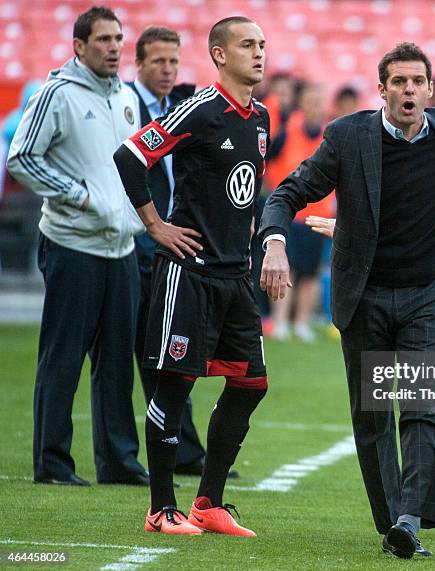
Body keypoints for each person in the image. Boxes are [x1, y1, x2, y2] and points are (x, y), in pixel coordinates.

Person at [259, 42, 435, 559]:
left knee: (423, 409)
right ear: (382, 89)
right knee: (373, 420)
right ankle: (393, 526)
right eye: (398, 82)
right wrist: (274, 240)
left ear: (429, 89)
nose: (408, 90)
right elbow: (289, 192)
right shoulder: (347, 137)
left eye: (416, 82)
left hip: (428, 296)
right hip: (366, 300)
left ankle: (410, 518)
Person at [114, 16, 269, 536]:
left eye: (262, 45)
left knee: (252, 383)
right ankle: (161, 509)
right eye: (247, 45)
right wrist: (156, 225)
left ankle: (209, 503)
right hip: (190, 273)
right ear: (220, 55)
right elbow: (131, 155)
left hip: (235, 277)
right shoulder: (202, 109)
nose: (259, 53)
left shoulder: (262, 117)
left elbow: (243, 193)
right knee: (175, 384)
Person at [6, 6, 148, 486]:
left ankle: (118, 463)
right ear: (79, 46)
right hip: (72, 244)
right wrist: (79, 196)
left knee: (116, 364)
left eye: (118, 38)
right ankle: (51, 462)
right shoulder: (57, 94)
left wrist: (131, 216)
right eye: (104, 39)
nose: (113, 47)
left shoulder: (127, 96)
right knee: (63, 356)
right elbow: (22, 157)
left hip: (121, 246)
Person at [126, 26, 208, 477]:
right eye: (158, 61)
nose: (167, 69)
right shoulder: (126, 105)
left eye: (173, 61)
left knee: (174, 352)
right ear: (137, 63)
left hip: (175, 244)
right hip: (138, 240)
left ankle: (187, 452)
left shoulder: (183, 104)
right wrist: (152, 225)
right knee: (136, 354)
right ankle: (126, 455)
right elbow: (124, 162)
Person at [266, 82, 333, 341]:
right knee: (287, 270)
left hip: (319, 217)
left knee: (311, 273)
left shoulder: (331, 134)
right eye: (311, 98)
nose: (315, 104)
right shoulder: (286, 131)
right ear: (301, 102)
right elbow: (267, 161)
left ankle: (303, 323)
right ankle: (281, 321)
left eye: (319, 98)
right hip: (290, 215)